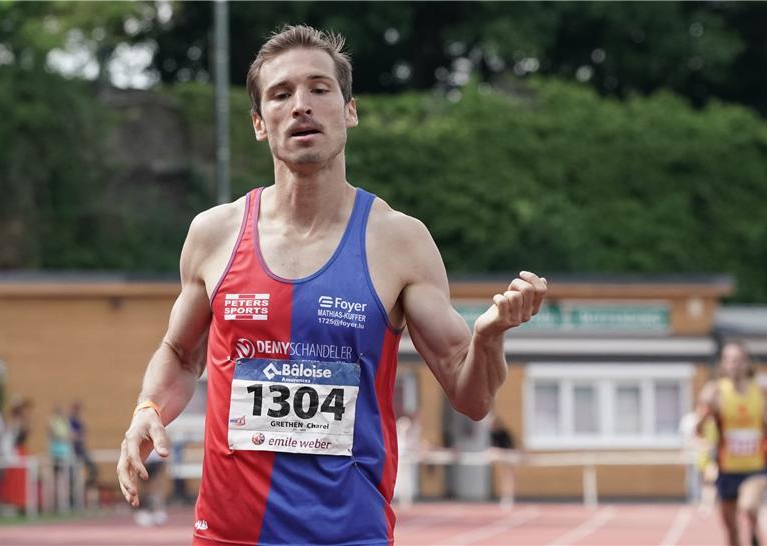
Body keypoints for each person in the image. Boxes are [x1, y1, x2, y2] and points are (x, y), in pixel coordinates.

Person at [116, 24, 548, 546]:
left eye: (320, 89)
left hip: (349, 533)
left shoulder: (399, 241)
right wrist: (147, 410)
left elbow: (472, 397)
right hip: (232, 534)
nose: (301, 105)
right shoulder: (214, 234)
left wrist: (489, 337)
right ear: (259, 122)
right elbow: (181, 356)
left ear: (349, 111)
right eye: (281, 94)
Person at [696, 341, 767, 546]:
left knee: (748, 506)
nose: (733, 365)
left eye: (738, 360)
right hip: (727, 469)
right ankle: (752, 535)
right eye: (728, 360)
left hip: (756, 467)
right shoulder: (714, 391)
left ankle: (755, 531)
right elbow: (699, 430)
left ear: (747, 363)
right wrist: (706, 413)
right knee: (731, 531)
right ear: (722, 364)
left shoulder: (763, 391)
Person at [488, 412, 519, 509]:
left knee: (509, 479)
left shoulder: (504, 432)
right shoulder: (492, 434)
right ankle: (505, 498)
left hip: (509, 456)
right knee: (504, 479)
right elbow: (494, 447)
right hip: (502, 457)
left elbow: (511, 446)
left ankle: (509, 498)